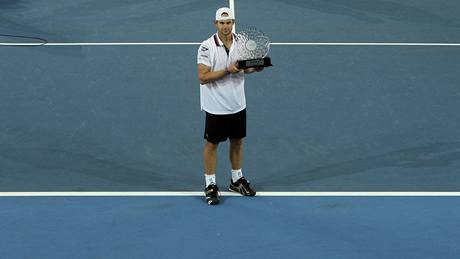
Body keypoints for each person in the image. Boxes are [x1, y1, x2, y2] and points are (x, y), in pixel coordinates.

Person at [197, 7, 264, 205]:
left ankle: (237, 179)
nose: (225, 26)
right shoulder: (206, 47)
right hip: (216, 106)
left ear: (232, 22)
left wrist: (256, 67)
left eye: (228, 23)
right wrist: (227, 70)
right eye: (222, 23)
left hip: (237, 104)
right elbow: (203, 77)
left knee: (237, 141)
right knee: (212, 145)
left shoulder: (242, 43)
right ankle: (210, 184)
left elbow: (245, 68)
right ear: (215, 24)